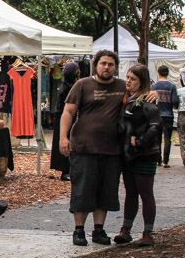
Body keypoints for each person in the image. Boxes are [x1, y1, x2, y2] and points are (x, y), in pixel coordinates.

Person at [59, 50, 156, 246]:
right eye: (103, 63)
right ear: (96, 65)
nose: (106, 67)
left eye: (111, 64)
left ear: (115, 67)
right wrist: (63, 137)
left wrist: (153, 92)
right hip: (84, 147)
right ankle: (79, 231)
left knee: (105, 191)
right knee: (82, 190)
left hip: (112, 150)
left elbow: (142, 91)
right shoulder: (82, 85)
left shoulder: (122, 86)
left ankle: (99, 230)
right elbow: (68, 111)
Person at [115, 64, 162, 246]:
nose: (128, 81)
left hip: (144, 154)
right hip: (128, 155)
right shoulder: (127, 100)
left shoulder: (148, 102)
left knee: (145, 192)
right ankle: (126, 229)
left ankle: (147, 232)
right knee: (131, 193)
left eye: (133, 78)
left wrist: (140, 142)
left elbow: (155, 126)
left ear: (141, 82)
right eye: (127, 77)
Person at [50, 61, 80, 180]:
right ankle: (65, 170)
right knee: (65, 141)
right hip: (64, 117)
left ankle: (68, 168)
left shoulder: (69, 84)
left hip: (65, 116)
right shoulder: (68, 86)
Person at [151, 65, 179, 168]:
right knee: (167, 138)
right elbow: (175, 101)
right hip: (168, 115)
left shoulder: (154, 86)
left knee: (157, 138)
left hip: (156, 115)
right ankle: (165, 161)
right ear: (168, 73)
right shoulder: (172, 86)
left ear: (158, 73)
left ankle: (158, 159)